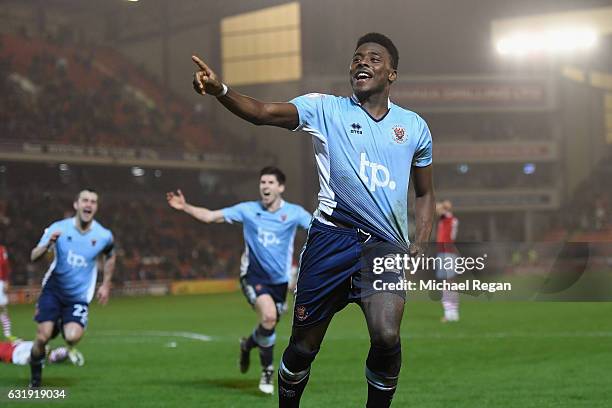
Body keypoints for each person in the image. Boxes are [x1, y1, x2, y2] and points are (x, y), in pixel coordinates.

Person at [190, 32, 435, 407]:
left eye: (373, 58)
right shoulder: (325, 108)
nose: (362, 63)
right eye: (356, 58)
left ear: (392, 74)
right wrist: (221, 89)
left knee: (387, 336)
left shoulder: (414, 127)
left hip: (384, 246)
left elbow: (425, 193)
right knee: (304, 347)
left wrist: (420, 243)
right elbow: (262, 113)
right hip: (330, 242)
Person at [166, 166, 312, 395]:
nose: (265, 186)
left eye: (270, 182)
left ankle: (247, 345)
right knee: (269, 316)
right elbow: (211, 216)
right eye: (262, 182)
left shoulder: (294, 213)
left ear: (281, 187)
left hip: (280, 281)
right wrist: (185, 206)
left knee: (268, 325)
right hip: (253, 276)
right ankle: (267, 371)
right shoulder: (247, 210)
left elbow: (318, 228)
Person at [28, 188, 116, 388]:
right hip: (53, 291)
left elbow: (111, 254)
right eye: (85, 200)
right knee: (42, 337)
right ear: (76, 205)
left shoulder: (103, 235)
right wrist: (47, 245)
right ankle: (35, 381)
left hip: (78, 297)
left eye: (93, 202)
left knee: (72, 337)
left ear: (96, 208)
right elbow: (34, 256)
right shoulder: (58, 228)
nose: (89, 204)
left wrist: (106, 284)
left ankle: (58, 325)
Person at [435, 200, 460, 322]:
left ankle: (451, 312)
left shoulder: (449, 219)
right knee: (448, 283)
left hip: (447, 253)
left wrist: (443, 206)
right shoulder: (443, 220)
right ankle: (450, 312)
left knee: (448, 283)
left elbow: (440, 209)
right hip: (444, 253)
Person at [0, 244, 14, 340]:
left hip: (0, 281)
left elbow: (5, 265)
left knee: (3, 308)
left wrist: (6, 280)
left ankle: (7, 333)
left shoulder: (1, 249)